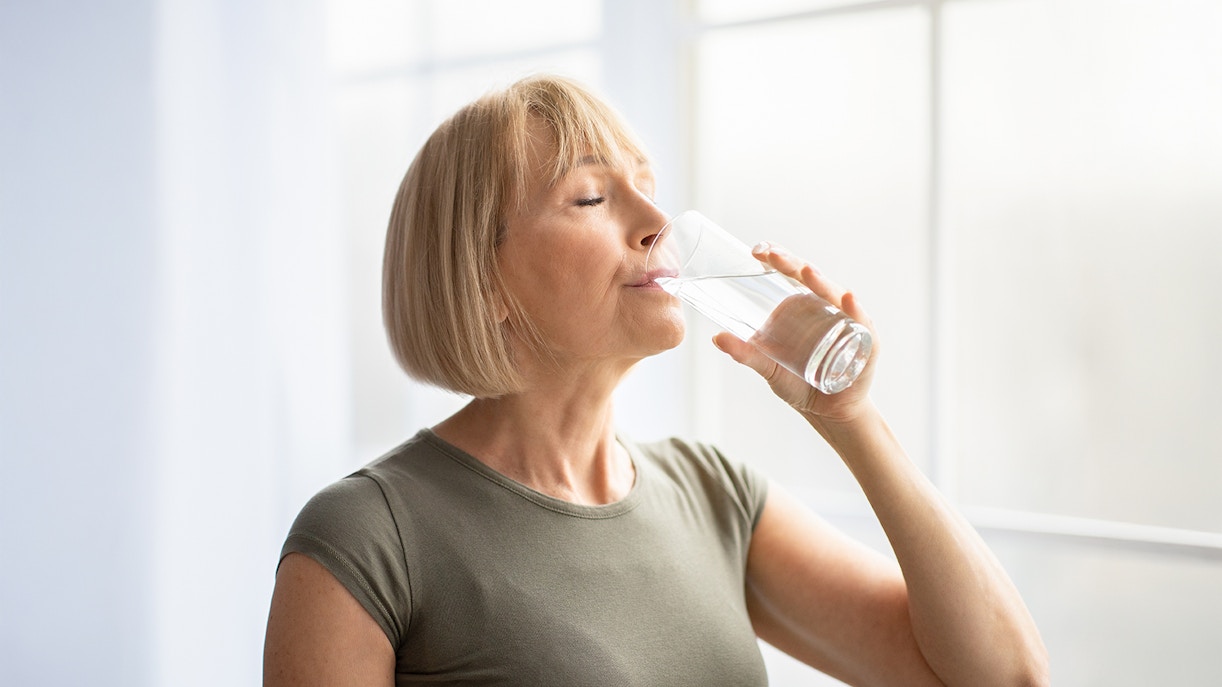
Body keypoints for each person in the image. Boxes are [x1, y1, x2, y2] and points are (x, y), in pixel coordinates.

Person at [263, 74, 1049, 687]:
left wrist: (854, 421)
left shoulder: (714, 495)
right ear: (485, 278)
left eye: (646, 186)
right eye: (593, 196)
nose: (657, 223)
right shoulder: (367, 536)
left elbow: (1002, 675)